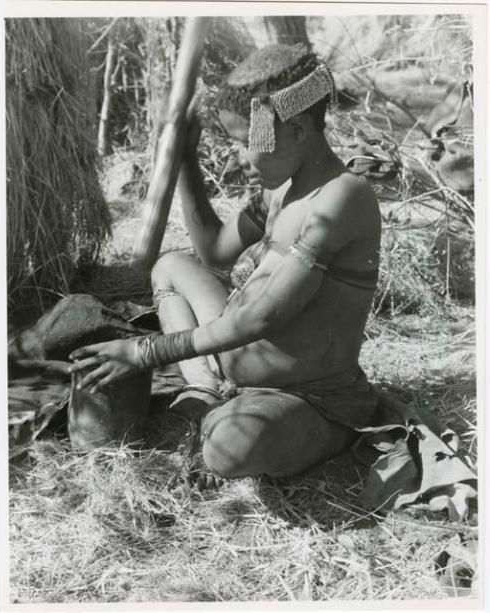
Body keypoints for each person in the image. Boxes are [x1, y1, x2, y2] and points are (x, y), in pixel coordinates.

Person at [69, 44, 382, 479]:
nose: (240, 158)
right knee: (172, 266)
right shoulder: (281, 191)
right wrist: (186, 164)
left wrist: (144, 351)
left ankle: (311, 428)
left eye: (245, 144)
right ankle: (205, 386)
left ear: (294, 131)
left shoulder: (343, 197)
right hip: (232, 358)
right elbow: (215, 249)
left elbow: (260, 319)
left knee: (230, 449)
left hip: (309, 394)